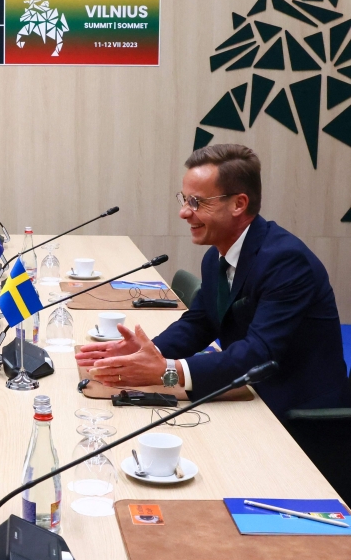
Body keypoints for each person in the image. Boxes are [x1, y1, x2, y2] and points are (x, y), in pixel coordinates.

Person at [77, 144, 351, 417]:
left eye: (197, 202)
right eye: (184, 200)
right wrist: (151, 351)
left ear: (238, 204)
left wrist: (168, 371)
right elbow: (200, 322)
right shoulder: (215, 257)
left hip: (298, 413)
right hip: (249, 392)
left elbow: (259, 351)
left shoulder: (286, 261)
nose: (184, 212)